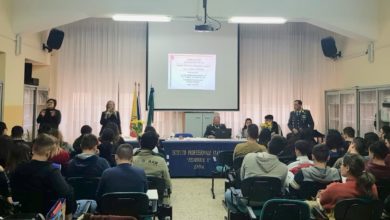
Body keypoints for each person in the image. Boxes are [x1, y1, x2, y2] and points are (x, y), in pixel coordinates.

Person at [10, 134, 76, 218]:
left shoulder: (18, 168)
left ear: (33, 149)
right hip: (43, 215)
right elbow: (66, 194)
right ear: (49, 153)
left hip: (21, 214)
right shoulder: (51, 171)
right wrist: (68, 215)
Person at [224, 136, 288, 213]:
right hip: (270, 204)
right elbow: (281, 188)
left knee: (228, 194)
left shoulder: (249, 157)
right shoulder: (284, 168)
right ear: (281, 152)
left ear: (268, 144)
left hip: (247, 201)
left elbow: (242, 178)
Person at [311, 154, 377, 215]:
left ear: (347, 168)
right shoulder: (372, 186)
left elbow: (322, 202)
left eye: (342, 164)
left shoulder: (334, 188)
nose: (340, 166)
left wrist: (322, 193)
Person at [133, 132, 171, 204]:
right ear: (155, 145)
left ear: (140, 142)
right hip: (157, 198)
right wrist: (169, 191)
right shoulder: (161, 161)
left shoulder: (131, 160)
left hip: (136, 199)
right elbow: (167, 181)